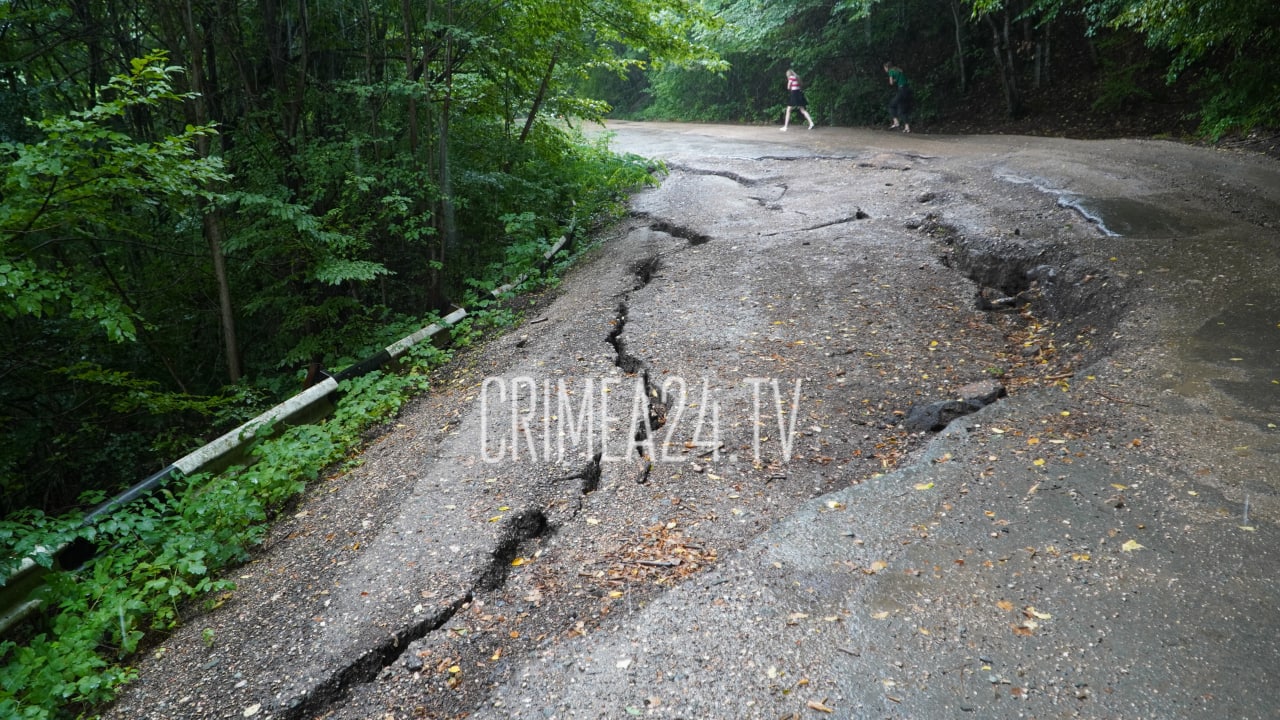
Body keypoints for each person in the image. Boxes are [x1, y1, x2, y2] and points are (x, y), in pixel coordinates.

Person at [883, 62, 913, 133]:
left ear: (887, 67)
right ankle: (907, 128)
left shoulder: (890, 71)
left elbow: (891, 83)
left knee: (891, 105)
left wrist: (892, 80)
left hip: (901, 90)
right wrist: (895, 80)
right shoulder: (898, 70)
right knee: (902, 110)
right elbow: (899, 79)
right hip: (907, 90)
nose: (885, 70)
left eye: (884, 68)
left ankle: (896, 122)